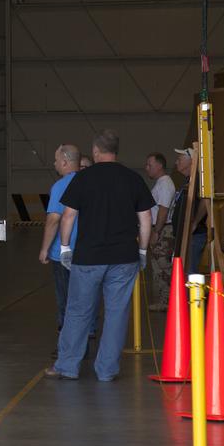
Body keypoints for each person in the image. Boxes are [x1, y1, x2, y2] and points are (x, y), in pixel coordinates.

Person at [47, 129, 153, 382]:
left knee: (78, 312)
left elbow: (68, 216)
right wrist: (142, 251)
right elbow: (146, 219)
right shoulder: (133, 179)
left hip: (88, 258)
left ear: (95, 151)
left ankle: (67, 367)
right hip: (124, 257)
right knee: (117, 313)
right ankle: (106, 371)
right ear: (115, 151)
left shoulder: (82, 179)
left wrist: (64, 248)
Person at [39, 144, 82, 347]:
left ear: (65, 162)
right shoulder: (88, 182)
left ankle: (67, 345)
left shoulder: (60, 186)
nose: (54, 164)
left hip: (62, 254)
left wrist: (44, 249)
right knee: (83, 298)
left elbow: (54, 220)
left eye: (56, 160)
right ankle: (85, 336)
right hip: (87, 252)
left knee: (64, 300)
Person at [169, 147, 210, 275]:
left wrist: (195, 222)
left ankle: (192, 295)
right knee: (184, 272)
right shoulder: (188, 181)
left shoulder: (198, 180)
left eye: (179, 159)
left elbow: (205, 200)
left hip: (193, 236)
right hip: (185, 236)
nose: (176, 163)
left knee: (190, 273)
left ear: (191, 161)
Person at [144, 152, 177, 310]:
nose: (147, 168)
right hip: (159, 228)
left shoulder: (165, 184)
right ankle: (164, 301)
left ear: (159, 165)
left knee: (164, 266)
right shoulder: (161, 183)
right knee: (158, 267)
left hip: (162, 229)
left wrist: (156, 231)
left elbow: (163, 210)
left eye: (150, 165)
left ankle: (172, 299)